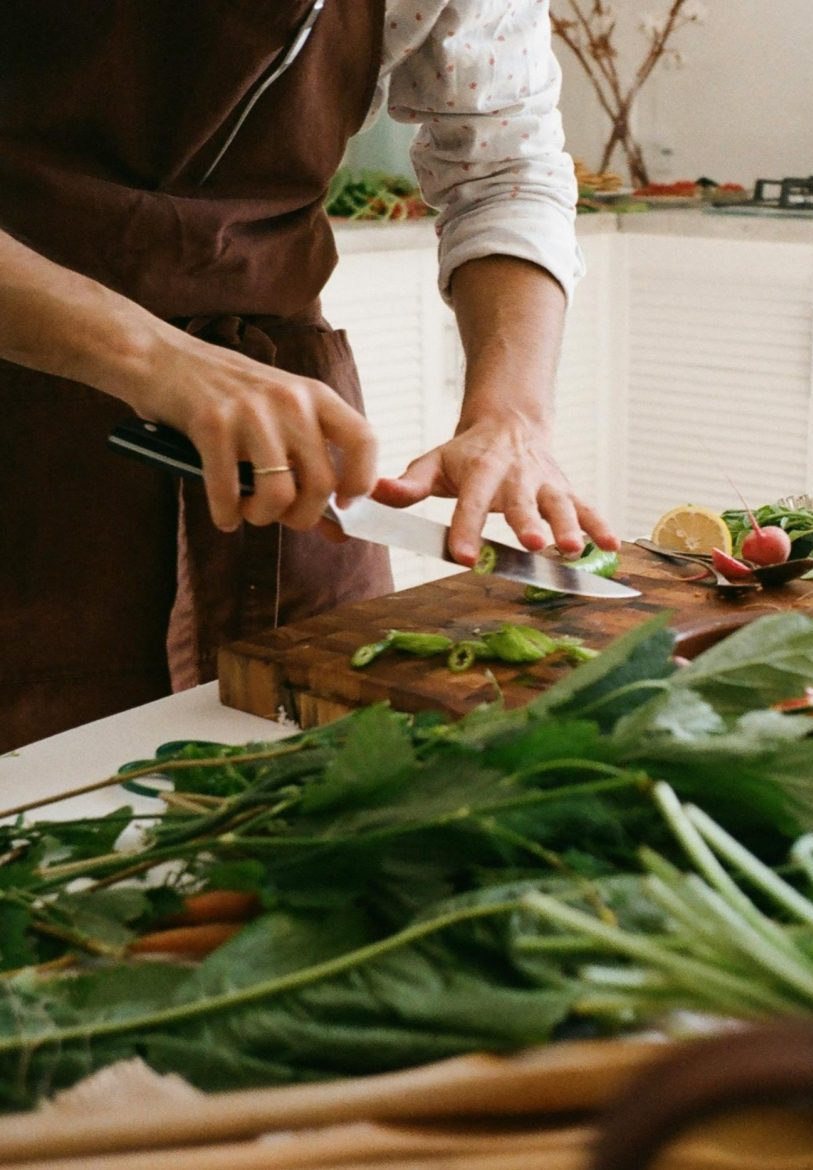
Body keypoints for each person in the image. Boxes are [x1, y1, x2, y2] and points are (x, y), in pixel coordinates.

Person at [0, 1, 619, 754]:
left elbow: (505, 169)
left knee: (335, 767)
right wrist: (150, 358)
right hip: (22, 405)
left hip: (291, 447)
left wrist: (511, 413)